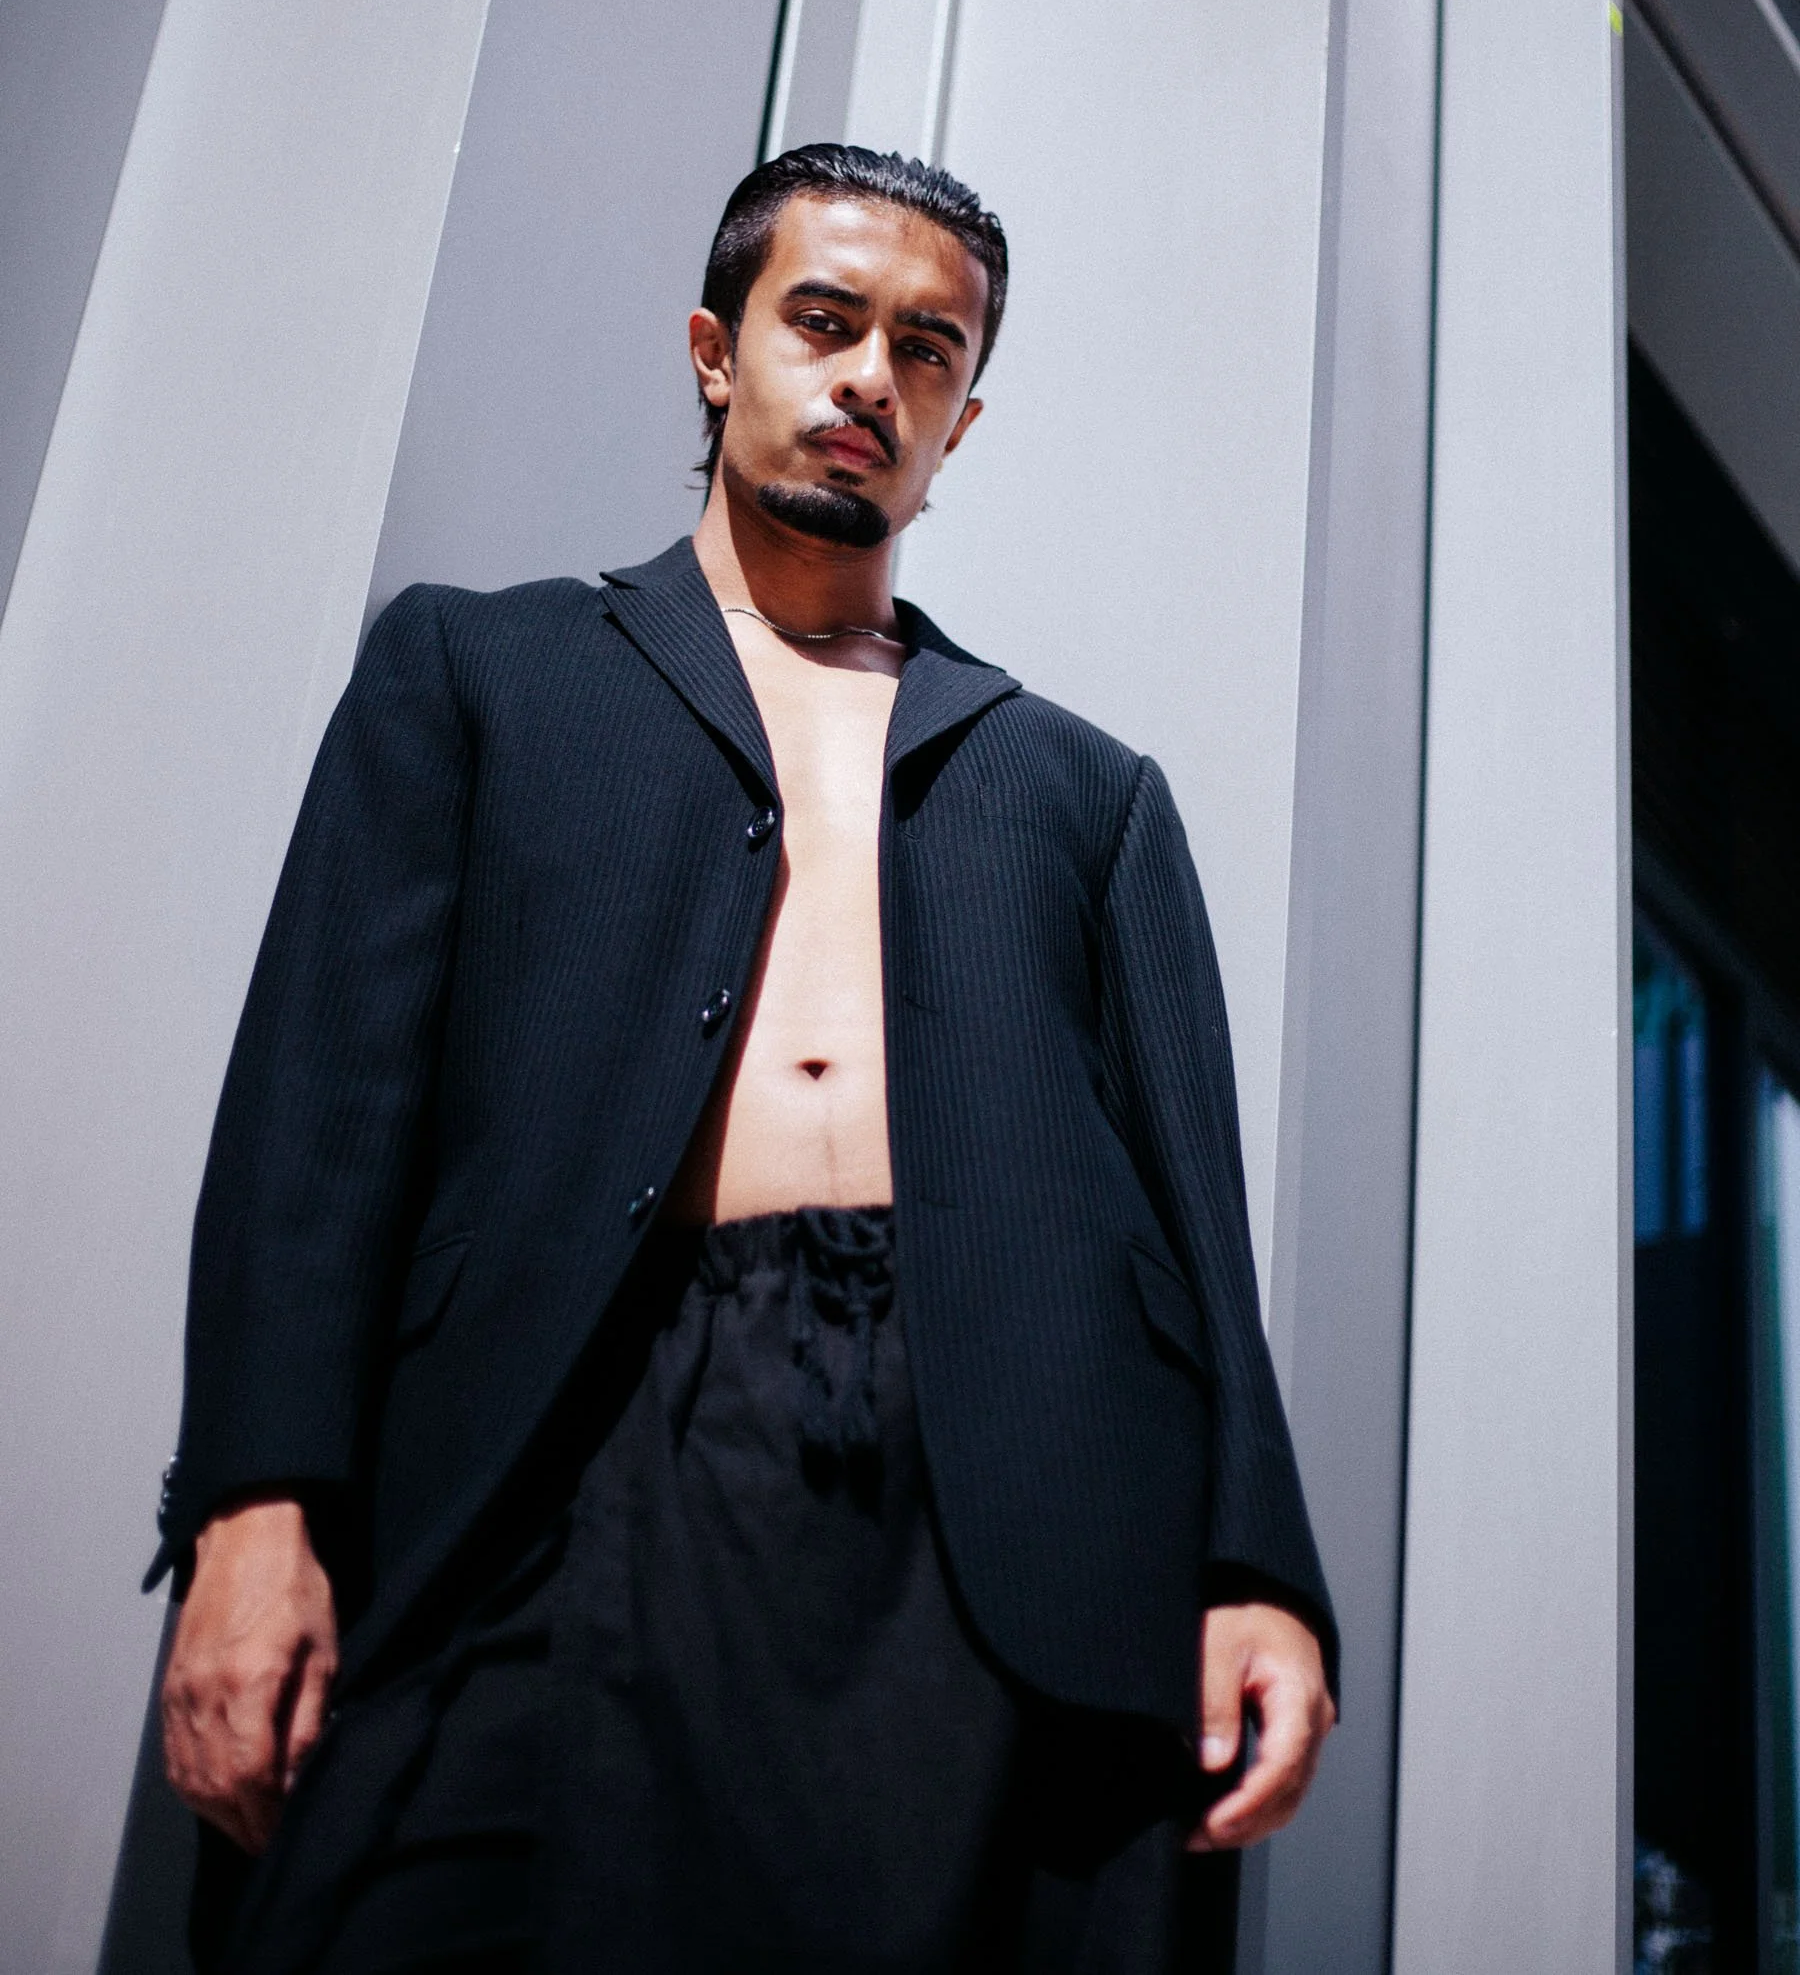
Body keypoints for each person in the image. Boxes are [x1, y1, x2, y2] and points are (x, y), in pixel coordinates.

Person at [154, 144, 1336, 1974]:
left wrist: (1254, 1572)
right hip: (561, 1426)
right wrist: (253, 1501)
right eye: (826, 319)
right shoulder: (485, 672)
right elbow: (322, 1113)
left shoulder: (1084, 791)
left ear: (960, 419)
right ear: (718, 350)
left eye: (929, 351)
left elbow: (1194, 1218)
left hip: (995, 1480)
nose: (874, 374)